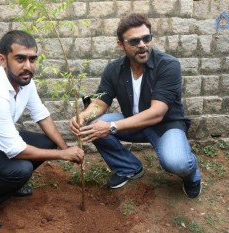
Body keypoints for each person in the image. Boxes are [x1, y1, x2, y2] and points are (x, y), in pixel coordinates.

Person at [0, 30, 84, 230]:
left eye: (32, 59)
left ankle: (10, 184)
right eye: (20, 59)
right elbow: (15, 150)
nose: (28, 66)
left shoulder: (25, 82)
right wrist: (63, 155)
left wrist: (65, 148)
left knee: (47, 142)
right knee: (21, 168)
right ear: (3, 60)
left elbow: (42, 116)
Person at [69, 13, 201, 198]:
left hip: (166, 126)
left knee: (177, 162)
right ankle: (129, 167)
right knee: (91, 125)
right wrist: (83, 115)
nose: (142, 45)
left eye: (146, 38)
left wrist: (111, 126)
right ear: (121, 45)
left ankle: (192, 174)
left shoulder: (168, 65)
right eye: (134, 41)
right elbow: (100, 101)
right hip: (133, 123)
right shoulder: (114, 69)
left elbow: (157, 113)